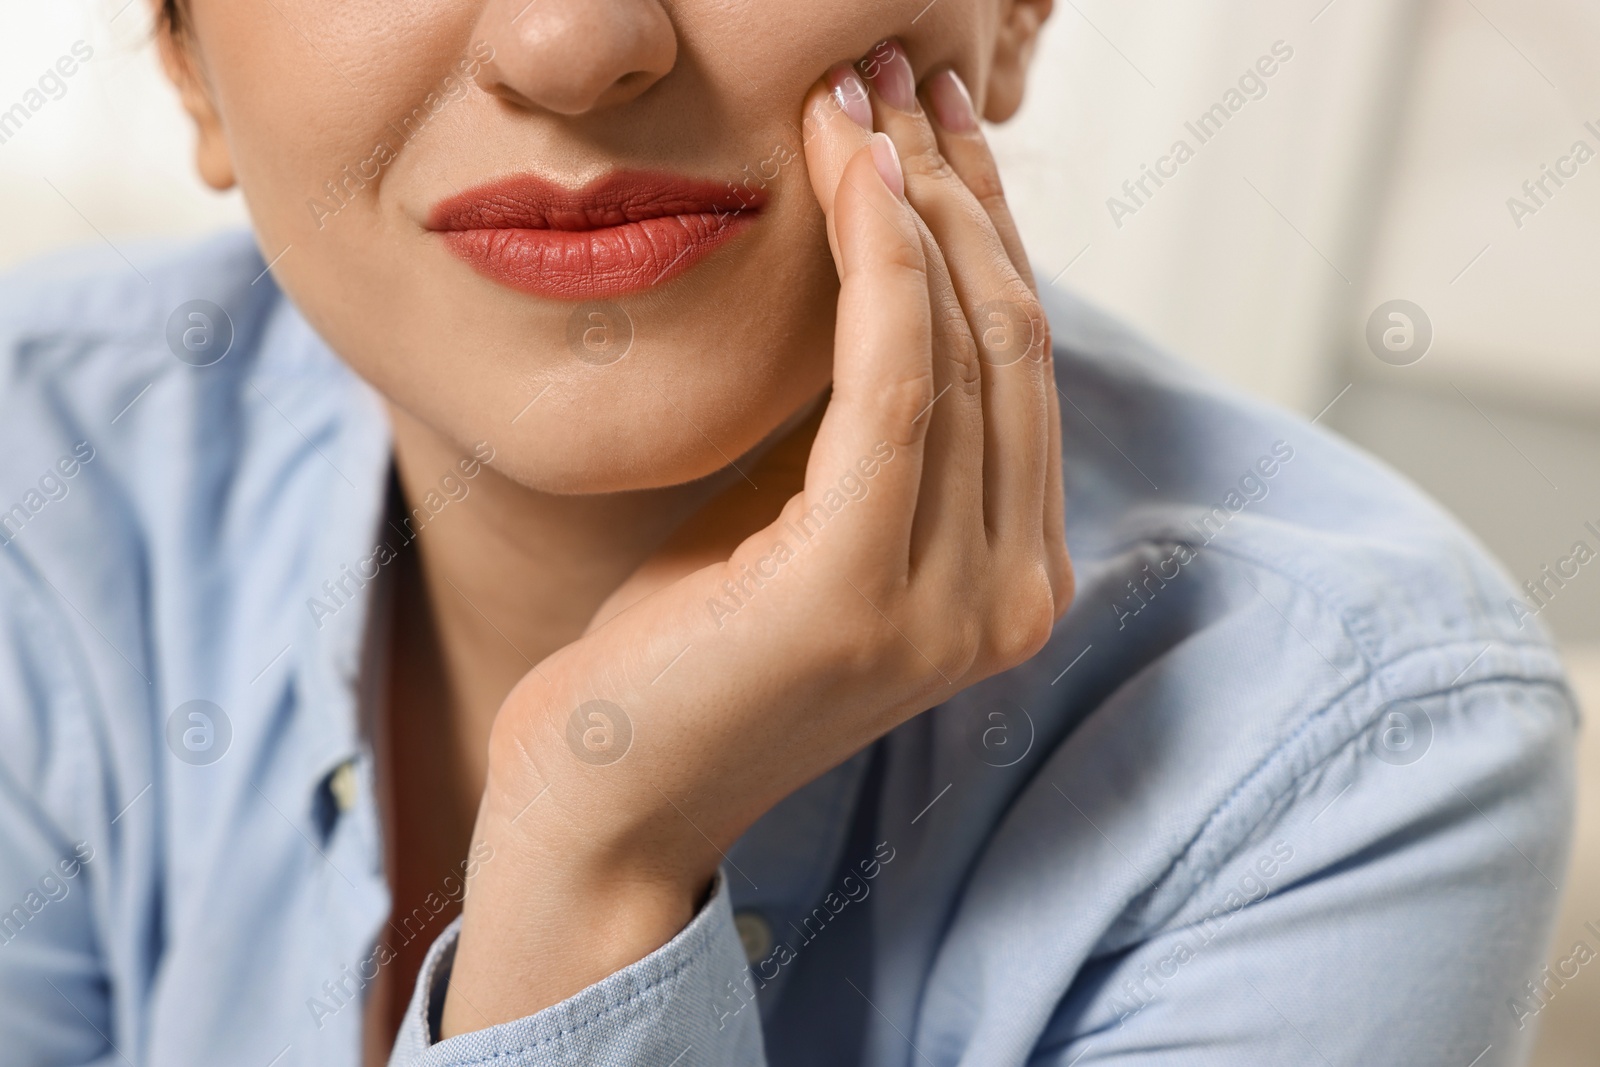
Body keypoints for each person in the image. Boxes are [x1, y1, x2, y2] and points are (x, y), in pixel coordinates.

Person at [0, 1, 1576, 1064]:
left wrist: (589, 857)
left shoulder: (1356, 747)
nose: (572, 43)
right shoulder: (37, 485)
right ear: (188, 56)